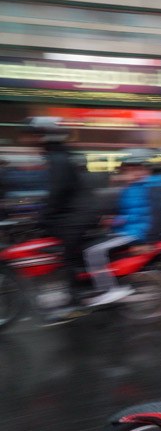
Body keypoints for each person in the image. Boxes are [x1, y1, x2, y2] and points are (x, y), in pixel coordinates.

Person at [81, 148, 161, 306]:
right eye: (129, 169)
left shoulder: (150, 187)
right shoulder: (132, 188)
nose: (131, 173)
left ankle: (110, 290)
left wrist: (148, 242)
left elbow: (156, 216)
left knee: (93, 252)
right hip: (126, 230)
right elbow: (130, 213)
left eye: (136, 169)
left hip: (135, 234)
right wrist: (112, 220)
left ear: (146, 169)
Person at [19, 117, 89, 304]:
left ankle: (76, 295)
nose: (28, 140)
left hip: (75, 215)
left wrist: (44, 217)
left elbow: (59, 191)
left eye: (34, 135)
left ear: (44, 135)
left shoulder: (58, 157)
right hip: (72, 211)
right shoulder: (57, 155)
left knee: (66, 253)